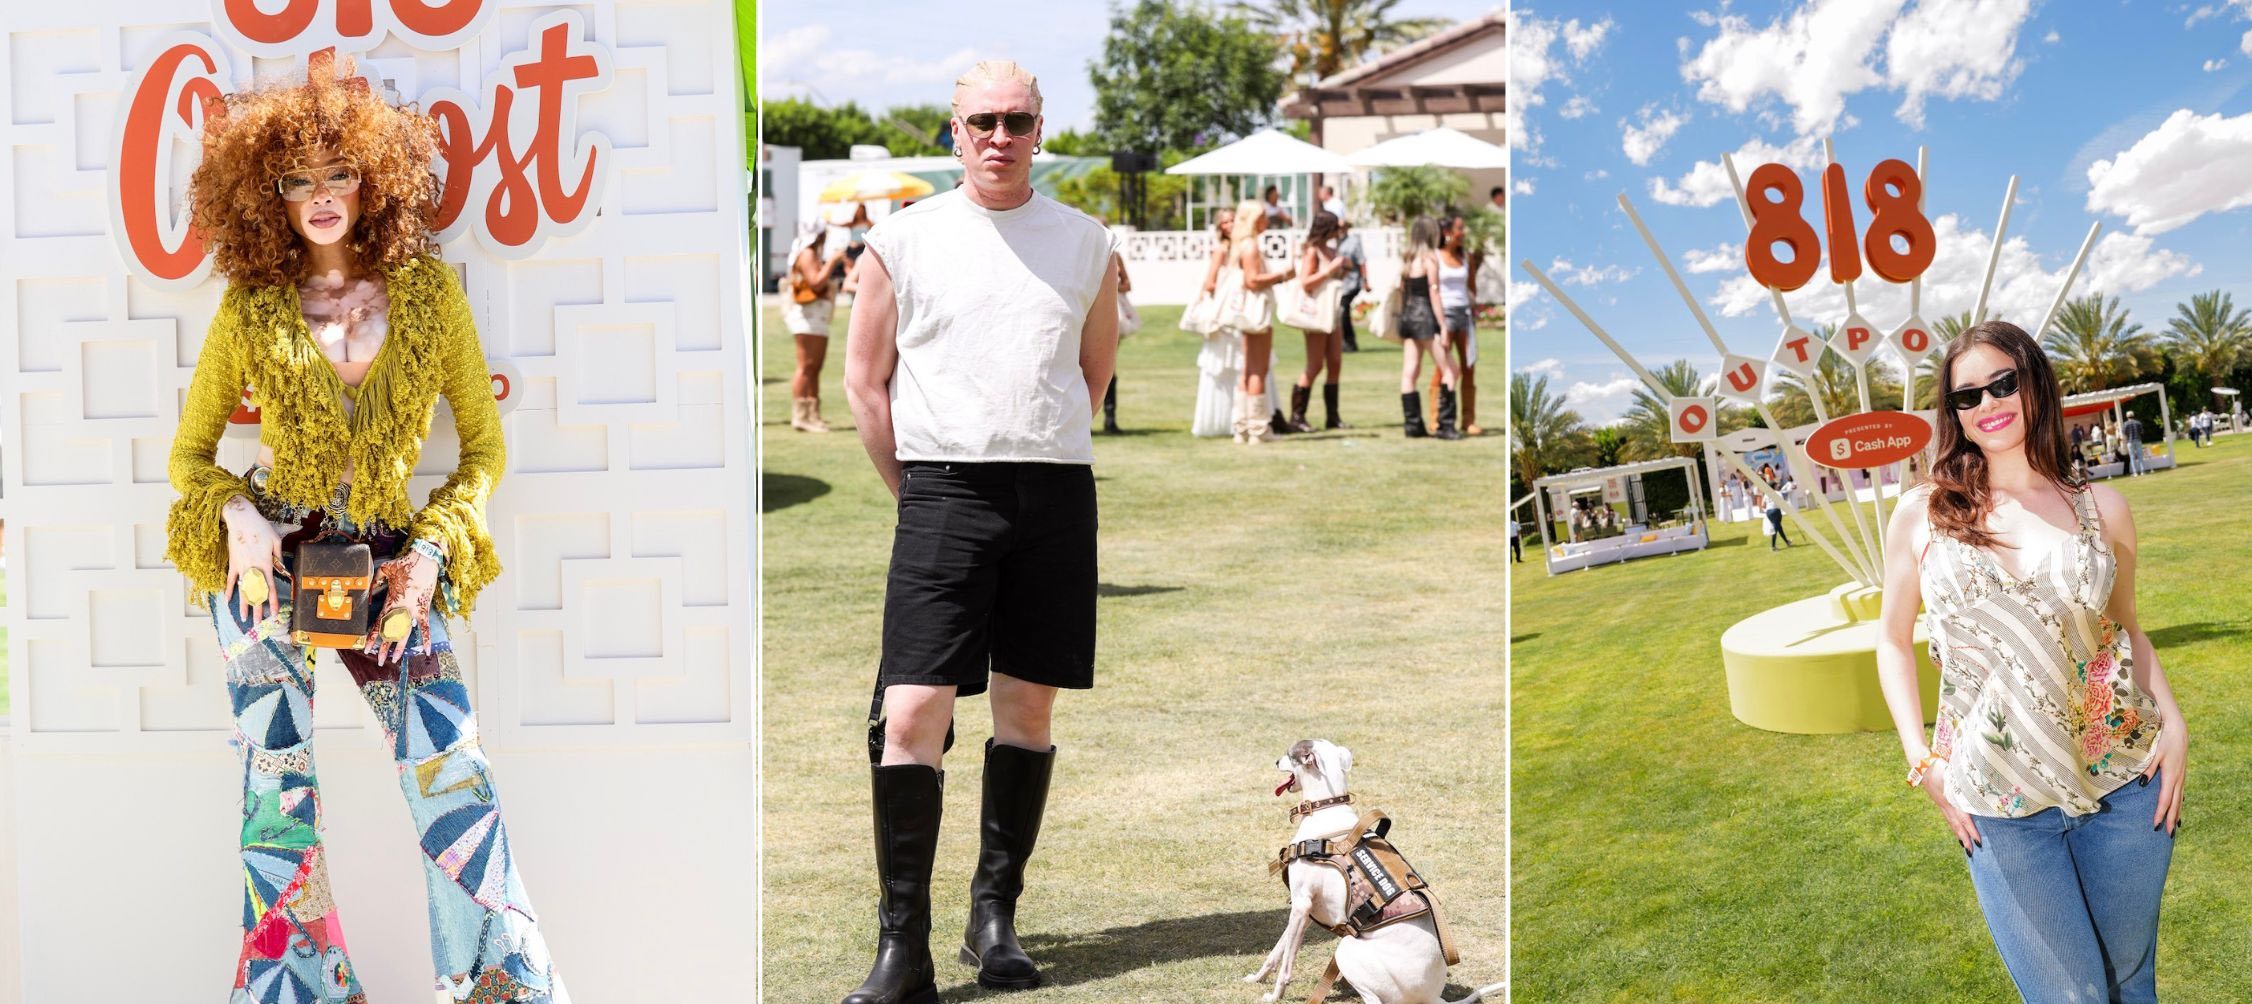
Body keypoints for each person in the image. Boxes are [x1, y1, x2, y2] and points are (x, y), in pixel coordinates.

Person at [168, 60, 564, 1002]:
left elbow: (481, 453)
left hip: (391, 568)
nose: (318, 196)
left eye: (336, 171)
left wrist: (429, 553)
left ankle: (499, 990)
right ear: (268, 196)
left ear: (372, 178)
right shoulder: (252, 307)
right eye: (293, 180)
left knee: (452, 776)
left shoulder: (427, 295)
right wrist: (235, 516)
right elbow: (190, 456)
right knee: (278, 798)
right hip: (263, 571)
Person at [839, 58, 1119, 1003]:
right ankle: (902, 948)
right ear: (953, 131)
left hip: (1054, 496)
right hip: (943, 494)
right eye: (982, 121)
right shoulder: (902, 238)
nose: (1000, 137)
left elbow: (1091, 375)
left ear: (1041, 129)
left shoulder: (1086, 242)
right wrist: (916, 492)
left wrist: (1035, 449)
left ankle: (994, 918)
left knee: (1027, 714)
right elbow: (863, 385)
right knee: (913, 713)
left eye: (1017, 120)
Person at [1876, 321, 2184, 1003]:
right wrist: (1919, 757)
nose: (1988, 403)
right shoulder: (1921, 515)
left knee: (2132, 985)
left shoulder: (2103, 508)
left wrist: (2176, 725)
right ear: (1951, 413)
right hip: (1996, 801)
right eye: (1967, 395)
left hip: (2125, 788)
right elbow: (1894, 641)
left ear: (2033, 382)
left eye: (2003, 383)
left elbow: (2126, 628)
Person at [1225, 198, 1295, 445]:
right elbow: (1253, 281)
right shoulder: (1251, 246)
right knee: (1258, 368)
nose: (1268, 220)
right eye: (1264, 216)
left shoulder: (1240, 246)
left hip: (1245, 313)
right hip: (1256, 312)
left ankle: (1242, 426)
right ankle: (1258, 427)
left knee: (1247, 368)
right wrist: (1283, 274)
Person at [1395, 217, 1463, 439]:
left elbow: (1402, 290)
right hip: (1426, 320)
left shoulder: (1408, 259)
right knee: (1451, 370)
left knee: (1410, 372)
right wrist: (1443, 325)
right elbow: (1434, 293)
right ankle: (1446, 425)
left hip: (1408, 319)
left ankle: (1413, 426)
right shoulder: (1430, 258)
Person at [1286, 210, 1351, 432]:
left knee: (1335, 362)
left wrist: (1343, 270)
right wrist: (1331, 270)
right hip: (1316, 314)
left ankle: (1333, 416)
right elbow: (1305, 283)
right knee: (1315, 365)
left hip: (1332, 312)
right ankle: (1297, 416)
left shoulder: (1332, 251)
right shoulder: (1312, 252)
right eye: (1335, 228)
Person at [784, 221, 851, 432]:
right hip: (807, 315)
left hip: (816, 316)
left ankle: (812, 413)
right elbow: (815, 282)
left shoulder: (810, 253)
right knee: (806, 366)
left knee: (815, 366)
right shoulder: (807, 253)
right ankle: (801, 415)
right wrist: (832, 262)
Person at [1436, 213, 1482, 435]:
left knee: (1468, 367)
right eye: (1459, 229)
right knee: (1443, 368)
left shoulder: (1467, 258)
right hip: (1444, 316)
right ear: (1447, 232)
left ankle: (1468, 420)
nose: (1463, 233)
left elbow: (1472, 288)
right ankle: (1438, 418)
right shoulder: (1435, 257)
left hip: (1464, 315)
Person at [1102, 248, 1134, 434]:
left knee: (1108, 367)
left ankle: (1110, 419)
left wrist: (1109, 286)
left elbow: (1127, 285)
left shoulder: (1115, 255)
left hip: (1111, 315)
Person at [1335, 217, 1367, 353]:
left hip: (1352, 282)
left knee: (1343, 310)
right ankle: (1347, 341)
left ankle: (1348, 341)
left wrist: (1366, 280)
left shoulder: (1353, 242)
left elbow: (1362, 261)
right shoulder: (1335, 242)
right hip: (1340, 283)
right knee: (1343, 312)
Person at [1764, 479, 1792, 549]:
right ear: (1774, 486)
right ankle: (1773, 546)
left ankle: (1787, 542)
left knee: (1779, 527)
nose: (1778, 486)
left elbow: (1763, 505)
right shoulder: (1777, 493)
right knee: (1776, 529)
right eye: (1776, 485)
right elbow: (1782, 502)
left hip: (1768, 512)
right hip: (1775, 511)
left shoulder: (1766, 494)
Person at [2122, 411, 2145, 476]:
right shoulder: (2138, 423)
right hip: (2138, 440)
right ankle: (2142, 471)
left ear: (2127, 416)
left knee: (2132, 457)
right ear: (2133, 415)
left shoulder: (2125, 424)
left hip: (2130, 441)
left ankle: (2135, 472)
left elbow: (2124, 432)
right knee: (2140, 456)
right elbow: (2142, 432)